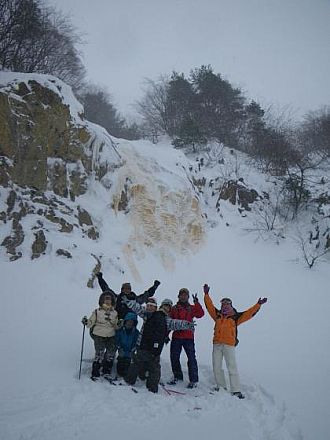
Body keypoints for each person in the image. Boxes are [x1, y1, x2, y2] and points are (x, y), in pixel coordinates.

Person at [203, 283, 267, 399]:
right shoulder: (217, 315)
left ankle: (236, 390)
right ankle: (221, 387)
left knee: (232, 367)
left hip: (229, 345)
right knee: (216, 366)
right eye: (223, 304)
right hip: (217, 344)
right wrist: (206, 294)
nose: (225, 305)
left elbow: (249, 314)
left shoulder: (236, 317)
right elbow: (209, 307)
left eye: (227, 304)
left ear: (231, 305)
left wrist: (258, 305)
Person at [124, 297, 195, 393]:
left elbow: (176, 323)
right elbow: (139, 308)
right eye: (165, 306)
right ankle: (130, 381)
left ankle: (151, 388)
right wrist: (129, 302)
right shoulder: (149, 314)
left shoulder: (167, 320)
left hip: (154, 349)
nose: (166, 308)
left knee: (153, 368)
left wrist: (187, 324)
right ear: (161, 306)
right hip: (143, 345)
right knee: (137, 364)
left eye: (168, 307)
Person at [168, 288, 204, 388]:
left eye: (185, 295)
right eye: (182, 295)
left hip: (188, 337)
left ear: (188, 297)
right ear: (178, 296)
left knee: (191, 358)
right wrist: (166, 335)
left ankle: (193, 380)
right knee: (174, 357)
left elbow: (201, 314)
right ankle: (177, 376)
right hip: (177, 336)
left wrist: (196, 302)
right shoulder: (174, 308)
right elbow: (169, 322)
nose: (183, 297)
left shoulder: (191, 308)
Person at [82, 291, 118, 380]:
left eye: (109, 299)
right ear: (102, 300)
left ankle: (106, 371)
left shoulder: (115, 313)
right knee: (99, 353)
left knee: (110, 354)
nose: (107, 301)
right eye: (105, 298)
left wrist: (119, 324)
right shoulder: (97, 312)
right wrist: (86, 322)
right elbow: (90, 323)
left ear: (112, 301)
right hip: (99, 334)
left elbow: (116, 326)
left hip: (111, 335)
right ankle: (95, 372)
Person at [96, 272, 160, 320]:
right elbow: (106, 289)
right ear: (122, 290)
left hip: (131, 324)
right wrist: (100, 278)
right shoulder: (117, 298)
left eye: (128, 289)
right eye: (125, 288)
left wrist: (154, 286)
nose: (127, 290)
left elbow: (146, 295)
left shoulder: (135, 299)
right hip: (117, 322)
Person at [115, 312, 140, 377]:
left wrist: (133, 350)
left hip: (130, 353)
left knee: (128, 368)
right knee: (120, 370)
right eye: (128, 321)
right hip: (122, 352)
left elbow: (136, 342)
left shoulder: (136, 332)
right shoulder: (120, 331)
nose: (130, 323)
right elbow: (117, 340)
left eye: (132, 322)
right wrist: (119, 348)